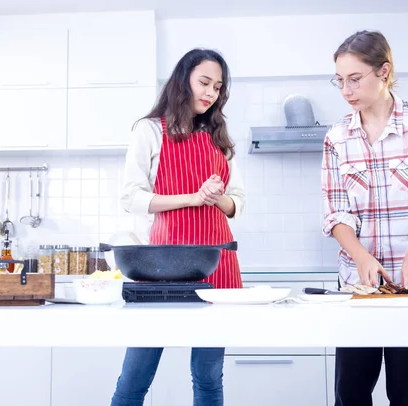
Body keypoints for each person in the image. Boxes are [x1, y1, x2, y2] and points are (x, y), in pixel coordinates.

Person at [321, 30, 408, 406]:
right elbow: (337, 212)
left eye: (355, 79)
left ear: (383, 71)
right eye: (340, 81)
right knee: (350, 393)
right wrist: (361, 257)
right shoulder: (336, 137)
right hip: (360, 281)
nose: (346, 90)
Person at [112, 48, 245, 406]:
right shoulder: (150, 130)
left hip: (218, 266)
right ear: (182, 79)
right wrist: (192, 198)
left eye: (218, 87)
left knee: (208, 379)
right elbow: (132, 197)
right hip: (163, 267)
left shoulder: (219, 135)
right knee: (135, 377)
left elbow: (237, 202)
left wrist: (215, 197)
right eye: (204, 82)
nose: (211, 93)